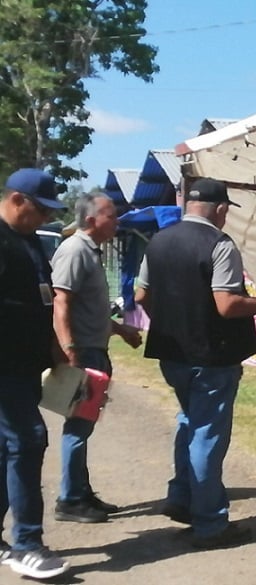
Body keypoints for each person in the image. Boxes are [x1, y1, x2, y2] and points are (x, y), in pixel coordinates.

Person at [134, 178, 256, 549]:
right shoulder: (220, 244)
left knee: (188, 422)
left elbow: (142, 294)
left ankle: (182, 497)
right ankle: (209, 522)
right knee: (207, 436)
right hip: (211, 355)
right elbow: (227, 305)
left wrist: (170, 320)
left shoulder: (159, 241)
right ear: (222, 210)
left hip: (171, 352)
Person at [50, 192, 143, 523]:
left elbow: (89, 309)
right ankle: (70, 499)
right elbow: (61, 303)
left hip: (95, 348)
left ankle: (80, 490)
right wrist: (69, 349)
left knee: (84, 425)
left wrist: (119, 330)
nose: (116, 222)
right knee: (78, 426)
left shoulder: (91, 251)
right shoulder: (74, 251)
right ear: (91, 220)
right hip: (84, 352)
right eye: (111, 216)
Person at [0, 168, 70, 579]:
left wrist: (54, 349)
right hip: (4, 366)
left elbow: (40, 301)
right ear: (17, 200)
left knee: (7, 449)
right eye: (41, 210)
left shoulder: (29, 242)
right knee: (29, 441)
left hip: (27, 367)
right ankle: (27, 544)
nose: (45, 218)